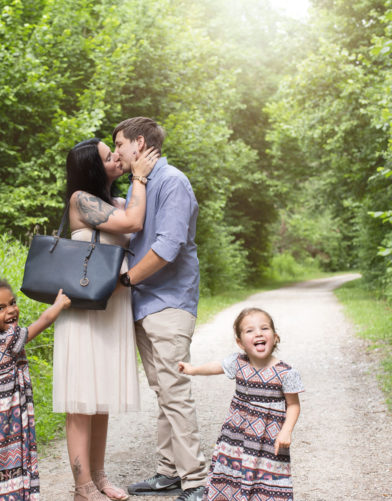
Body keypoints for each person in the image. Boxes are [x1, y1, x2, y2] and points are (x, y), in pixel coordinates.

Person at [53, 138, 159, 501]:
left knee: (101, 400)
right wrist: (140, 178)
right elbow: (133, 220)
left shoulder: (111, 201)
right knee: (81, 403)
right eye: (107, 155)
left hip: (112, 307)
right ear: (92, 167)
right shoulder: (81, 199)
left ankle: (99, 477)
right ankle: (82, 488)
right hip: (84, 312)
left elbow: (136, 226)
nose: (116, 157)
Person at [112, 117, 208, 501]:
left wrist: (125, 281)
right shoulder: (142, 185)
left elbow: (168, 247)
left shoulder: (172, 182)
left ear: (138, 143)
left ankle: (197, 481)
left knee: (174, 390)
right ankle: (169, 472)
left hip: (169, 300)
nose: (116, 151)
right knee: (163, 390)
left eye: (119, 144)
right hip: (144, 303)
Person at [0, 271, 71, 501]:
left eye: (12, 303)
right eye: (0, 308)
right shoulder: (9, 338)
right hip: (7, 419)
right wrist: (59, 304)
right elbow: (43, 321)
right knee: (13, 460)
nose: (11, 310)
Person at [178, 307, 304, 501]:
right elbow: (217, 366)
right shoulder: (238, 363)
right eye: (250, 330)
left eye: (264, 328)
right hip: (236, 436)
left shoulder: (286, 373)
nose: (259, 333)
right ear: (240, 342)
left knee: (267, 481)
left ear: (275, 337)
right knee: (231, 474)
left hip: (268, 441)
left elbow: (293, 405)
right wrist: (193, 370)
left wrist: (286, 431)